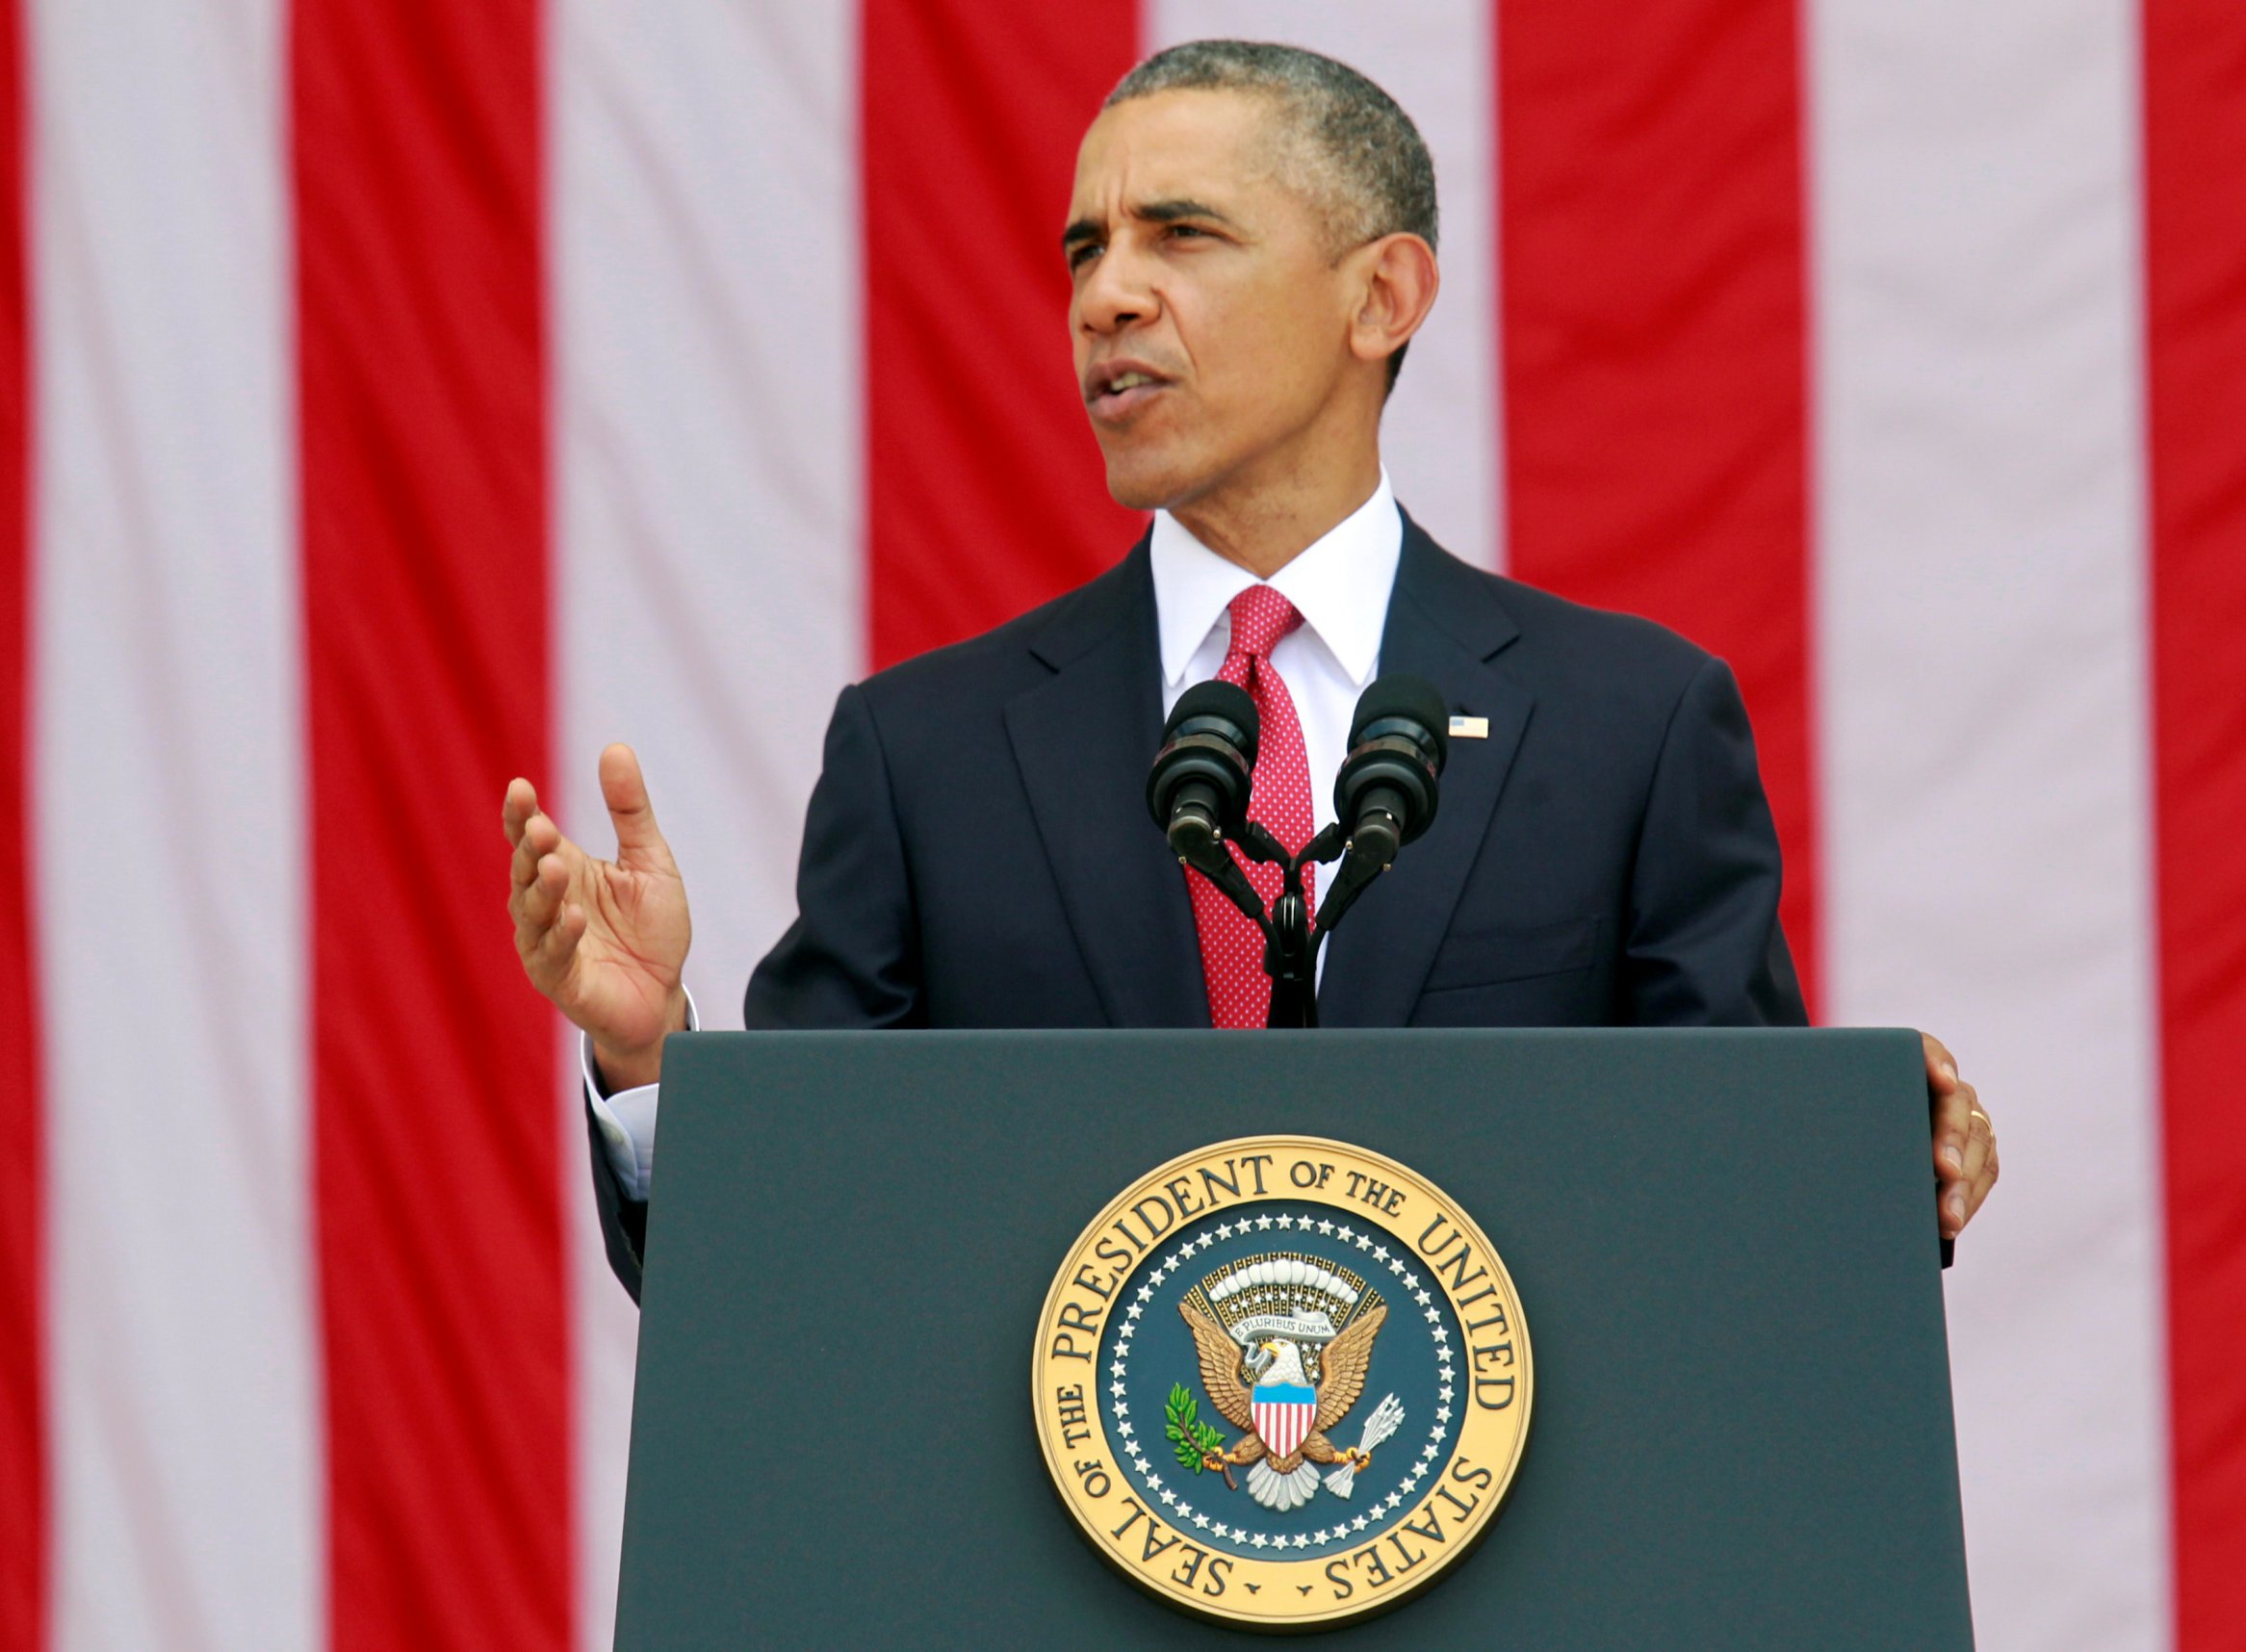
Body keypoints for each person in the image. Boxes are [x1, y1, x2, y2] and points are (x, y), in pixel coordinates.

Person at [502, 40, 1998, 1301]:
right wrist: (651, 1066)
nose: (1106, 297)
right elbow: (796, 1263)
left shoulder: (1629, 724)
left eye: (1182, 236)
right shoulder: (927, 753)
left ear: (1382, 298)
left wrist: (1875, 1158)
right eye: (1085, 249)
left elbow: (1735, 1219)